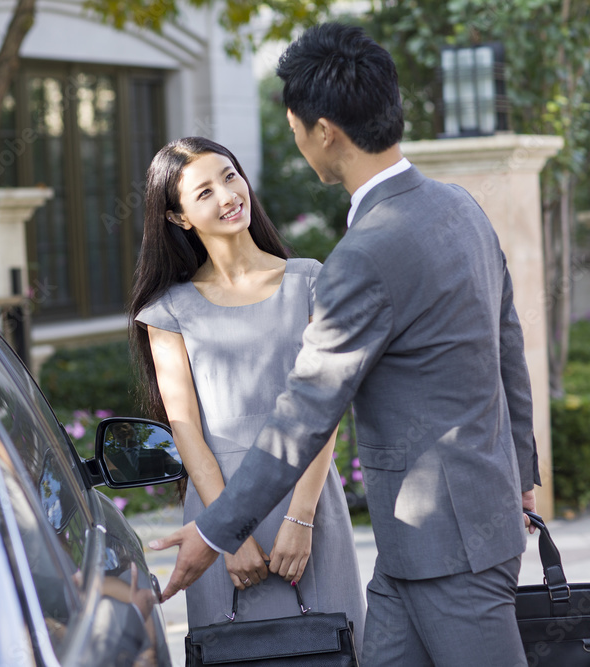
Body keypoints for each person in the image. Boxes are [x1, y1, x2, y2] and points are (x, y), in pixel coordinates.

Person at [148, 22, 541, 667]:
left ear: (324, 131)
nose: (297, 139)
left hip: (453, 551)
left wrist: (214, 532)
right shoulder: (459, 205)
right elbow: (508, 344)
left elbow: (305, 414)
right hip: (411, 548)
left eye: (296, 126)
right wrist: (522, 472)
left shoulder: (363, 255)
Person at [129, 136, 366, 644]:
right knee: (233, 651)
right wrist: (225, 532)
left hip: (308, 499)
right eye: (204, 191)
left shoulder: (309, 282)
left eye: (230, 176)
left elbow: (325, 411)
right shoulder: (168, 311)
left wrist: (301, 519)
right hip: (217, 509)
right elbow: (186, 429)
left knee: (335, 647)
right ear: (178, 218)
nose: (227, 195)